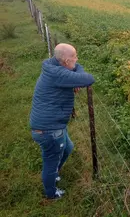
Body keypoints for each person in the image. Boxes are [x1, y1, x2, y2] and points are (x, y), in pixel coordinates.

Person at [30, 43, 95, 199]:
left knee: (68, 148)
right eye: (74, 56)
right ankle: (51, 193)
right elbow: (89, 78)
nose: (77, 59)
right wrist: (76, 78)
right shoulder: (59, 74)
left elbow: (78, 68)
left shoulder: (54, 66)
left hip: (52, 124)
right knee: (50, 161)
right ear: (65, 61)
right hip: (48, 129)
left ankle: (54, 173)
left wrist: (74, 77)